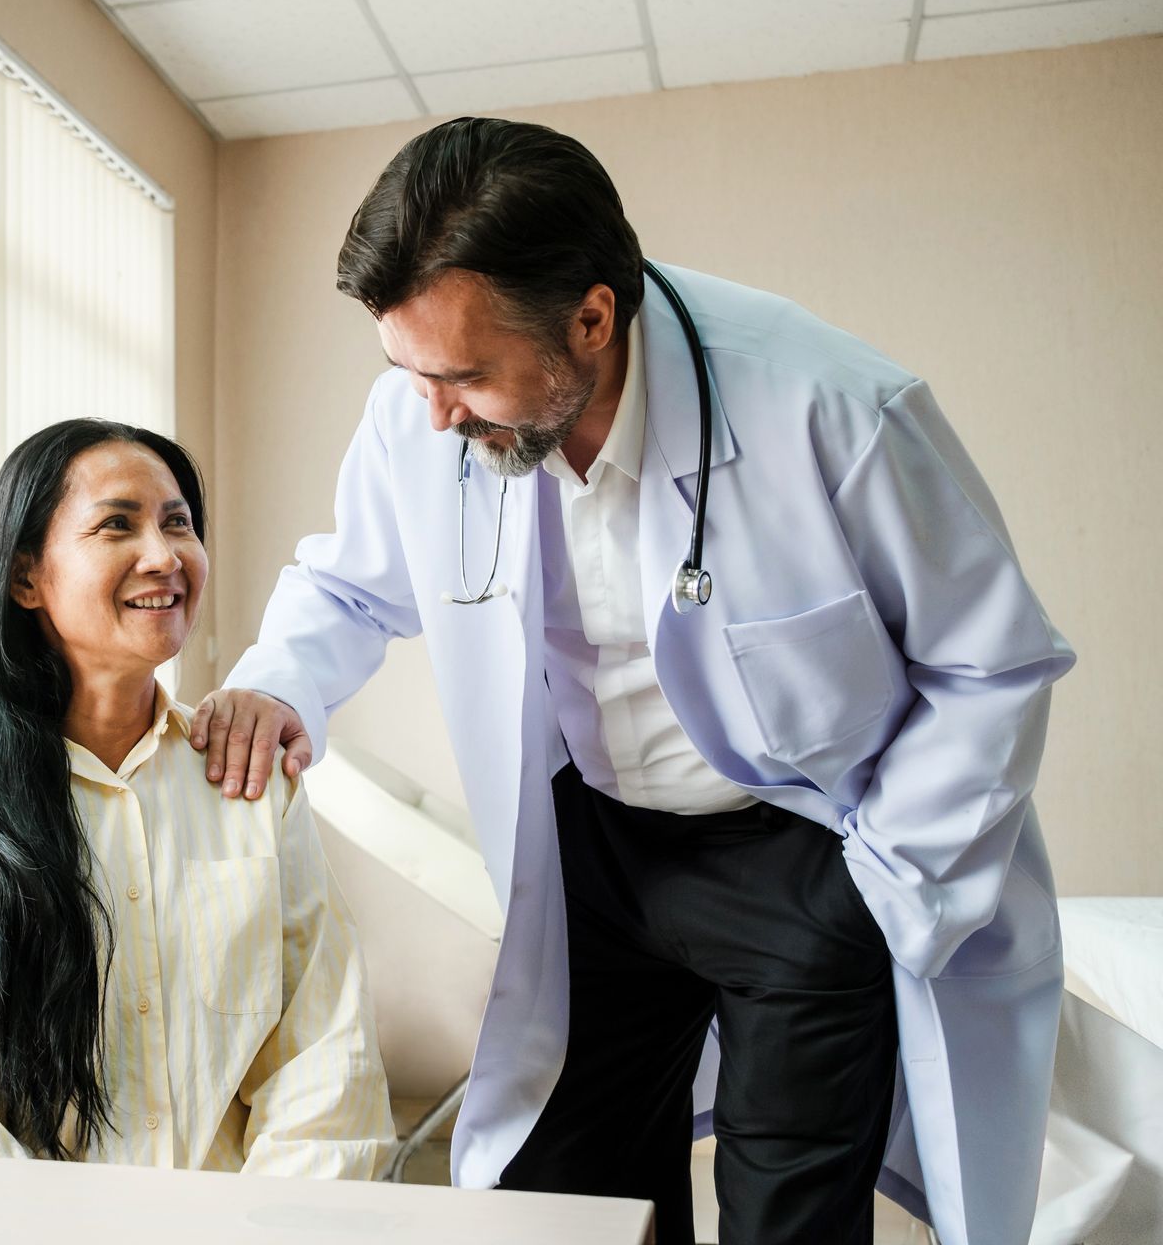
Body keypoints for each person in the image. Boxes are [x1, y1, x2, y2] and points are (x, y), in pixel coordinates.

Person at [190, 119, 1072, 1244]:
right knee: (561, 1198)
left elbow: (991, 662)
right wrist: (277, 684)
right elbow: (351, 584)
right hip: (592, 858)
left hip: (801, 853)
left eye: (464, 374)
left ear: (592, 319)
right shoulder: (425, 409)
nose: (434, 413)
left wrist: (882, 882)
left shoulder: (830, 406)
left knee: (785, 1220)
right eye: (407, 370)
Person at [0, 418, 394, 1177]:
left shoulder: (248, 782)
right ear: (26, 577)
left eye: (178, 524)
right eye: (116, 526)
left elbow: (327, 1067)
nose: (164, 557)